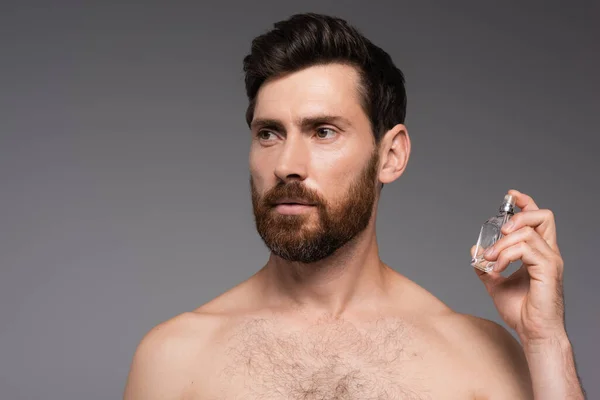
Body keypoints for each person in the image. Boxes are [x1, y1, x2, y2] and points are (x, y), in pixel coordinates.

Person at [123, 13, 585, 399]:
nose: (287, 164)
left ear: (390, 155)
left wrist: (547, 343)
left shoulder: (477, 358)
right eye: (269, 133)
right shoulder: (174, 357)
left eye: (323, 132)